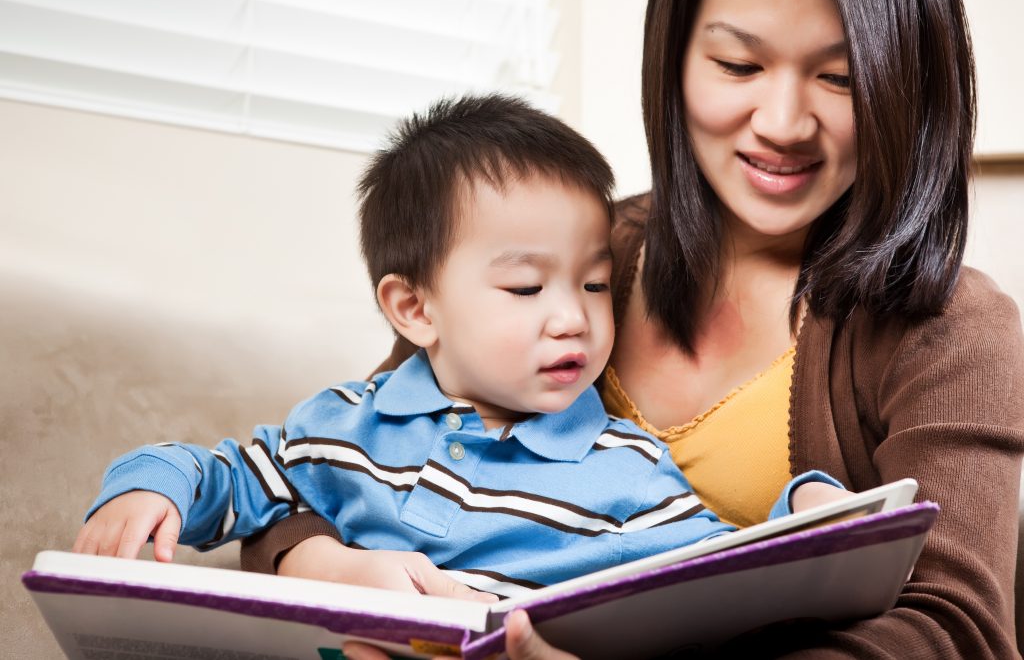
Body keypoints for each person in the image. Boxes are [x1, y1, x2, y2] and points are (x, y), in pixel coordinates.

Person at [242, 0, 1024, 658]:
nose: (783, 121)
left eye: (842, 79)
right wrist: (327, 567)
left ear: (907, 88)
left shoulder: (953, 332)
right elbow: (323, 472)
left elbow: (954, 631)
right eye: (738, 65)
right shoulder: (553, 257)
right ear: (674, 58)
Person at [73, 94, 846, 600]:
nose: (571, 319)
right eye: (524, 289)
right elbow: (233, 477)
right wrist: (151, 486)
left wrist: (803, 507)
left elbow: (715, 572)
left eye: (594, 284)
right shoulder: (346, 423)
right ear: (414, 307)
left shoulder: (625, 467)